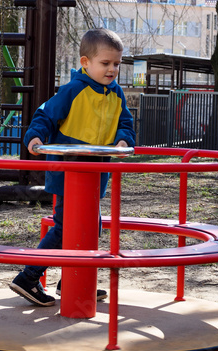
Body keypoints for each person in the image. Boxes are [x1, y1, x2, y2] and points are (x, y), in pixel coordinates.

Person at [10, 28, 136, 306]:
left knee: (91, 226)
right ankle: (29, 278)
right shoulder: (72, 90)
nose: (112, 69)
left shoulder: (116, 94)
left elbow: (125, 123)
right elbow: (46, 114)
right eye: (105, 63)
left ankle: (73, 280)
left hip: (95, 173)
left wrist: (123, 140)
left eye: (117, 63)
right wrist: (34, 136)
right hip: (69, 170)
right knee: (66, 227)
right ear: (85, 62)